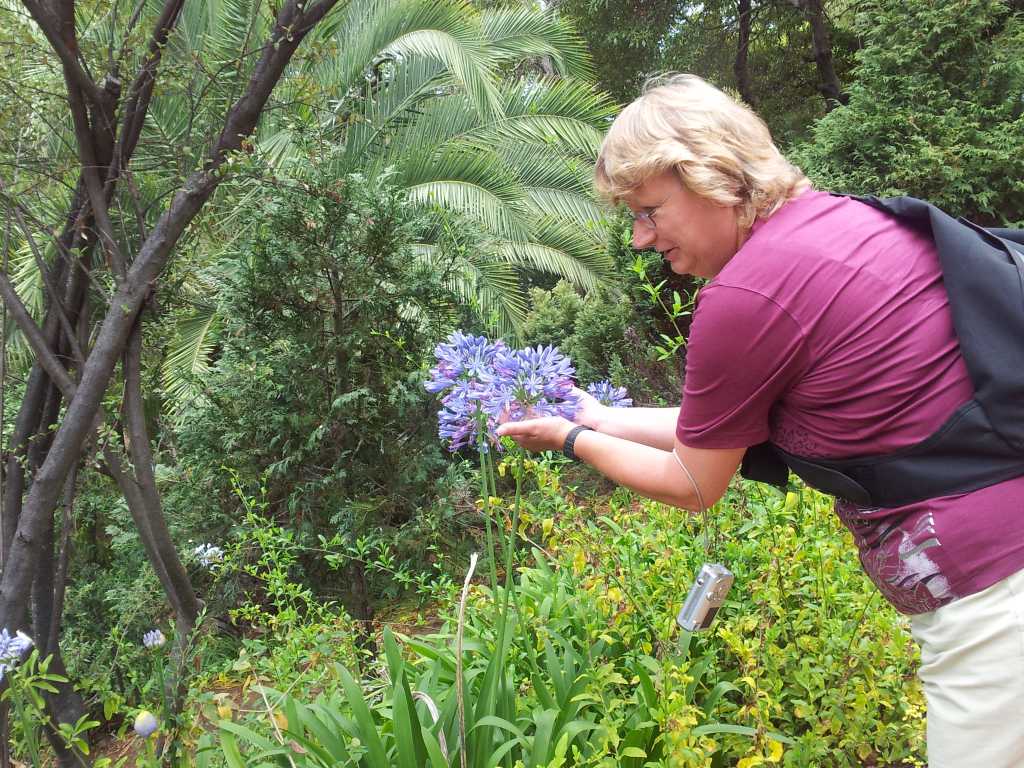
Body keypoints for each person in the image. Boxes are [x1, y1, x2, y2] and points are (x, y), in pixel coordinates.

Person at [495, 74, 1024, 768]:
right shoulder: (842, 224)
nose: (638, 238)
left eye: (649, 210)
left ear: (711, 176)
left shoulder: (745, 295)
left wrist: (569, 438)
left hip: (992, 592)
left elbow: (693, 479)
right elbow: (715, 431)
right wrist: (602, 416)